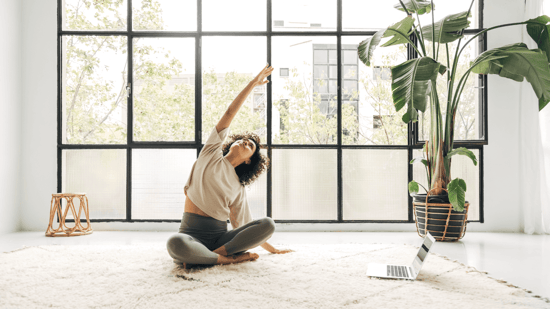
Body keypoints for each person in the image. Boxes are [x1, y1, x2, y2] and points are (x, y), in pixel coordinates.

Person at [167, 65, 292, 267]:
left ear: (249, 160)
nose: (244, 142)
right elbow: (229, 113)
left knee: (268, 224)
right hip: (190, 235)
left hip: (220, 239)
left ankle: (210, 256)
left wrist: (272, 249)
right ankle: (224, 259)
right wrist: (253, 83)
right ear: (230, 143)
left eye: (249, 145)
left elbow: (241, 225)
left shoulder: (238, 186)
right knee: (175, 244)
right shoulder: (210, 153)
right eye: (241, 140)